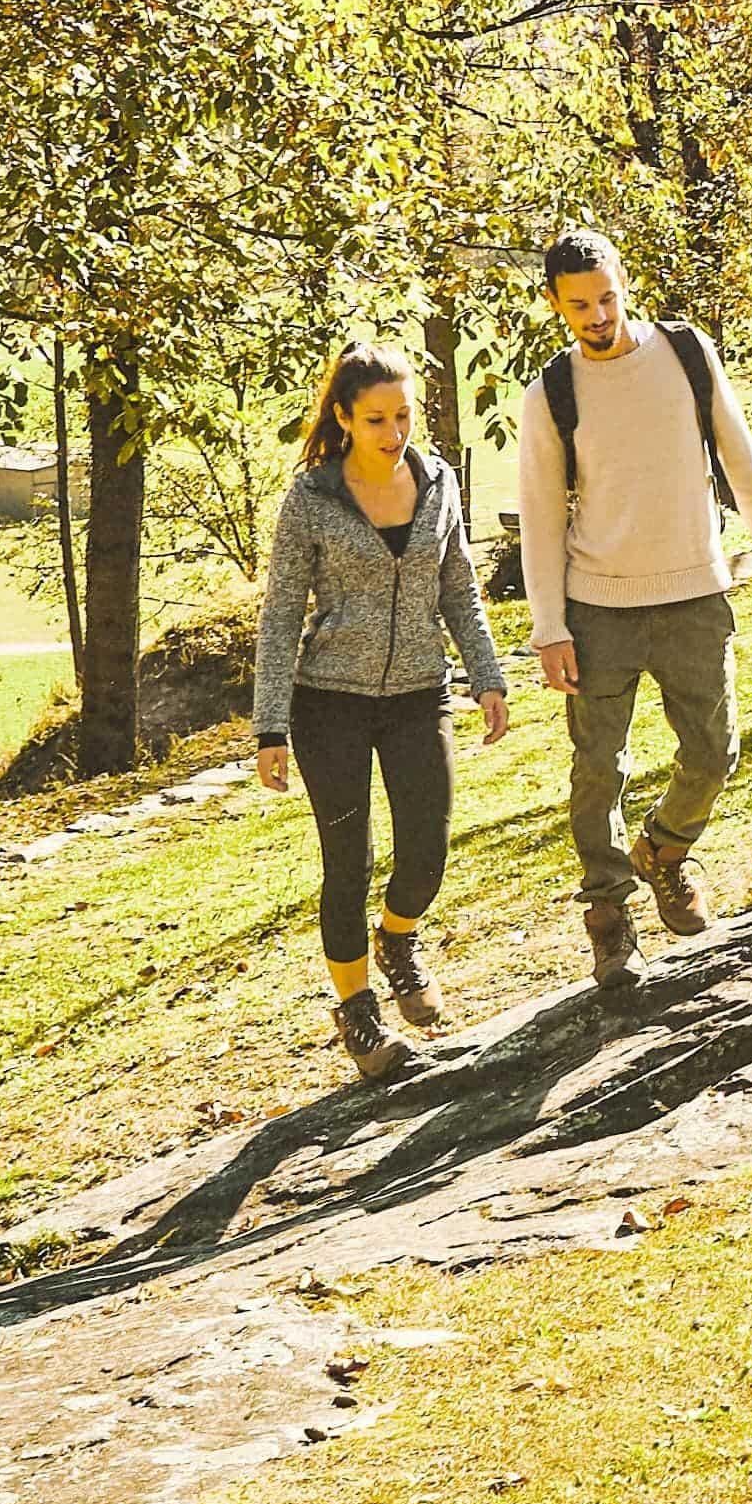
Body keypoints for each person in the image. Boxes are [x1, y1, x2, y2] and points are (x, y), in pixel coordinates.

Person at [511, 223, 752, 1008]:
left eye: (607, 298)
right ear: (556, 306)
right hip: (596, 607)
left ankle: (665, 852)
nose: (597, 316)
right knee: (597, 770)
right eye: (579, 306)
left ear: (623, 283)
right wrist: (549, 627)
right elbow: (539, 519)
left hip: (694, 593)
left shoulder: (684, 353)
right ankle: (609, 916)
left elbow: (740, 457)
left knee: (713, 753)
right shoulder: (552, 394)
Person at [248, 341, 512, 1082]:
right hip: (328, 702)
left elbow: (457, 588)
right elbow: (279, 617)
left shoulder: (439, 484)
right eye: (376, 419)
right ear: (344, 418)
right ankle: (358, 1011)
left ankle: (399, 937)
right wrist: (269, 726)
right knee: (348, 861)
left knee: (426, 850)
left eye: (403, 415)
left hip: (418, 693)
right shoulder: (311, 500)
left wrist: (486, 678)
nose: (394, 432)